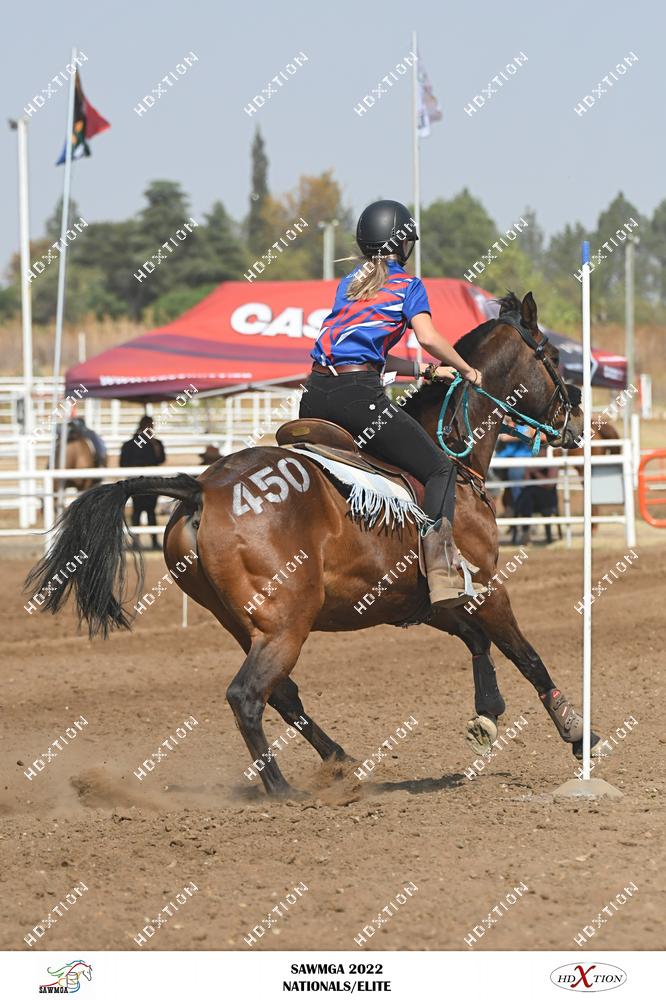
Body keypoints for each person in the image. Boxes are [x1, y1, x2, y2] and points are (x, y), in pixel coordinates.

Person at [301, 199, 485, 608]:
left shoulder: (350, 283)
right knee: (439, 469)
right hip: (357, 399)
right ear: (404, 245)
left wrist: (426, 372)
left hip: (314, 395)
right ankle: (441, 573)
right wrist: (466, 369)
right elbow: (429, 337)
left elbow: (365, 354)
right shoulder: (408, 285)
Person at [120, 416, 166, 550]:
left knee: (145, 511)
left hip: (144, 482)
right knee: (141, 511)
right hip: (143, 482)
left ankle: (144, 541)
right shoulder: (132, 445)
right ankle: (144, 541)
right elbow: (124, 463)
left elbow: (161, 459)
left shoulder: (151, 444)